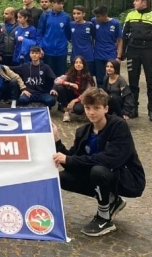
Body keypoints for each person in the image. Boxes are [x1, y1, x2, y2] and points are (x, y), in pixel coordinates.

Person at [53, 87, 146, 237]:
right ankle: (112, 200)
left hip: (127, 177)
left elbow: (111, 159)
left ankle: (104, 217)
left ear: (106, 108)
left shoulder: (118, 126)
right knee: (63, 177)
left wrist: (70, 159)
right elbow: (73, 163)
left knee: (99, 170)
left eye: (96, 108)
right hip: (102, 174)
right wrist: (57, 141)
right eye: (88, 108)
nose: (91, 112)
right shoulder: (83, 131)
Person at [119, 0, 152, 122]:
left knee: (151, 81)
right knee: (133, 82)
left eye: (136, 0)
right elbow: (124, 35)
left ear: (144, 2)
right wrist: (122, 52)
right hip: (133, 50)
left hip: (149, 51)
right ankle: (133, 109)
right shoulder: (130, 15)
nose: (134, 3)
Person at [54, 56, 96, 122]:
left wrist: (75, 101)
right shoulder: (70, 74)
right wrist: (70, 84)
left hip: (81, 97)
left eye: (80, 63)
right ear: (73, 64)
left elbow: (88, 92)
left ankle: (82, 109)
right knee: (59, 87)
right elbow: (56, 81)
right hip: (71, 94)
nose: (78, 64)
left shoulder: (88, 77)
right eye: (76, 62)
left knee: (78, 110)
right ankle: (66, 112)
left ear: (84, 65)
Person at [37, 0, 70, 77]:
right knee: (48, 75)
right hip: (47, 50)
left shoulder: (66, 17)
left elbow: (68, 33)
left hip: (61, 51)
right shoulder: (45, 15)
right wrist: (40, 47)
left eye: (62, 4)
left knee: (61, 75)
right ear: (52, 3)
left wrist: (64, 43)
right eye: (58, 3)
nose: (61, 6)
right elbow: (40, 32)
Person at [92, 5, 123, 88]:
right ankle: (101, 95)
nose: (97, 18)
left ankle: (113, 95)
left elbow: (120, 40)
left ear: (105, 15)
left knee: (114, 79)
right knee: (100, 80)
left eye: (98, 16)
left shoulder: (115, 23)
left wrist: (119, 57)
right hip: (98, 55)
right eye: (96, 16)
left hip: (111, 55)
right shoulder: (94, 21)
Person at [70, 5, 95, 71]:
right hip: (75, 56)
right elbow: (68, 37)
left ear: (83, 14)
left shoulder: (90, 25)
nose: (76, 16)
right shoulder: (70, 25)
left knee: (88, 75)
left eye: (78, 13)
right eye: (74, 13)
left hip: (88, 56)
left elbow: (94, 37)